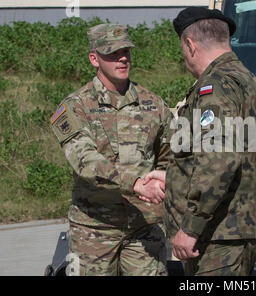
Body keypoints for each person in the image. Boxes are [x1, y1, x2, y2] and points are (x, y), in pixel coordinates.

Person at [143, 7, 256, 276]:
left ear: (190, 45)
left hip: (217, 235)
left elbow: (220, 160)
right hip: (239, 227)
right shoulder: (250, 82)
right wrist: (175, 177)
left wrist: (191, 227)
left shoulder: (214, 87)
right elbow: (238, 156)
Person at [50, 23, 171, 276]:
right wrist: (136, 183)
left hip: (144, 228)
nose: (123, 58)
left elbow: (170, 155)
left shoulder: (154, 104)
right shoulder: (75, 106)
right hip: (94, 231)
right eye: (113, 53)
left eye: (126, 51)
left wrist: (161, 183)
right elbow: (85, 160)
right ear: (94, 58)